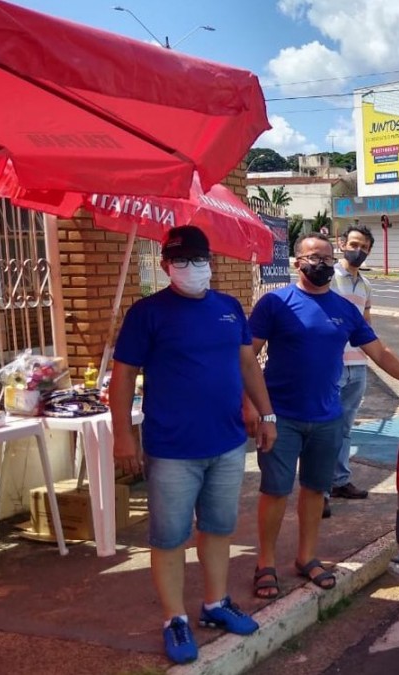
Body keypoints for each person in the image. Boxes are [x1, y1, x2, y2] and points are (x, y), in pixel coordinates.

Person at [111, 225, 278, 665]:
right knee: (168, 537)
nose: (191, 268)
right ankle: (174, 618)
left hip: (225, 444)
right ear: (166, 265)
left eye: (198, 260)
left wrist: (266, 413)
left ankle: (215, 603)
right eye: (181, 261)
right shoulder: (147, 313)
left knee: (219, 528)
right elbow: (124, 374)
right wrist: (123, 434)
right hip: (171, 448)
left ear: (211, 262)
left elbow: (247, 364)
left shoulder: (227, 308)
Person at [246, 232, 399, 601]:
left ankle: (306, 557)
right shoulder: (275, 303)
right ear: (296, 262)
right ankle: (265, 563)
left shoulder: (344, 309)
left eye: (325, 256)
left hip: (327, 417)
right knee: (274, 491)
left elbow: (379, 352)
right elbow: (247, 357)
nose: (320, 263)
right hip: (280, 417)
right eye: (312, 257)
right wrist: (253, 407)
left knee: (316, 490)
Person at [323, 224, 376, 518]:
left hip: (359, 364)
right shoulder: (329, 280)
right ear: (342, 243)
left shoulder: (365, 285)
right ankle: (319, 491)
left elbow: (367, 325)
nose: (359, 250)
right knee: (324, 429)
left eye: (365, 247)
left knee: (344, 428)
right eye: (355, 244)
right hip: (333, 364)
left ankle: (340, 481)